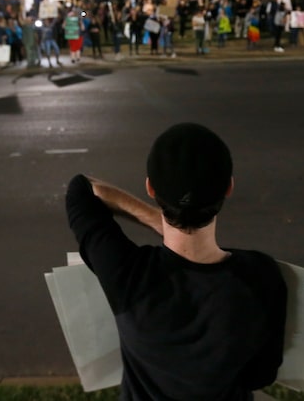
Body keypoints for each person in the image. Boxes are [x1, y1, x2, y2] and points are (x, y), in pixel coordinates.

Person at [64, 122, 287, 400]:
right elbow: (261, 375)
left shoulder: (128, 274)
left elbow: (81, 189)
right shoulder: (261, 276)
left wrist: (160, 221)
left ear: (150, 188)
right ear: (229, 187)